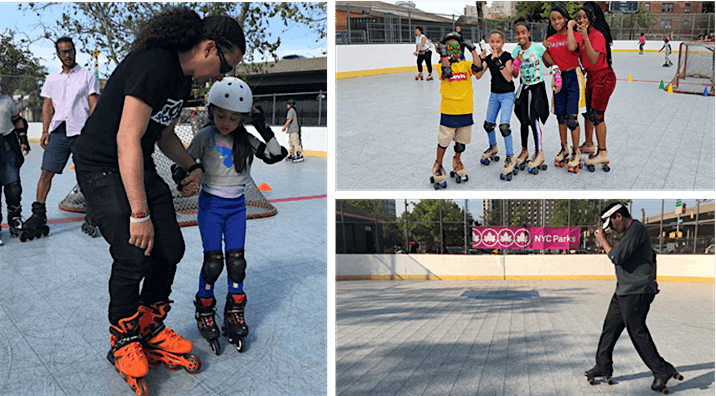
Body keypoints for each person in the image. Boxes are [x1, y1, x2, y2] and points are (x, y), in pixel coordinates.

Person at [73, 6, 245, 391]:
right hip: (101, 164)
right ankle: (123, 337)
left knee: (170, 246)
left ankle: (149, 326)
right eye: (225, 67)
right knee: (135, 250)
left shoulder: (182, 81)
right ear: (209, 48)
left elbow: (162, 135)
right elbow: (126, 138)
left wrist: (189, 165)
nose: (222, 76)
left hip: (134, 161)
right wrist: (138, 212)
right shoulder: (154, 64)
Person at [188, 78, 287, 355]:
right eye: (221, 115)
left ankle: (234, 310)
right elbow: (183, 163)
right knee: (213, 264)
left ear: (242, 117)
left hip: (237, 208)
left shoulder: (245, 139)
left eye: (234, 118)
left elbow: (276, 154)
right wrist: (184, 177)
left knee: (237, 262)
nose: (226, 122)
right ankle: (205, 308)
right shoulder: (204, 137)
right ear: (211, 111)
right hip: (210, 206)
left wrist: (263, 128)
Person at [586, 202, 684, 393]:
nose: (612, 229)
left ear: (619, 217)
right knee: (610, 327)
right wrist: (654, 280)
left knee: (637, 332)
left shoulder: (636, 230)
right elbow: (653, 256)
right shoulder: (630, 234)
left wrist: (603, 241)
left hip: (636, 291)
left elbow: (616, 257)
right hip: (624, 290)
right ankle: (603, 364)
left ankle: (662, 369)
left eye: (612, 224)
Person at [19, 37, 99, 241]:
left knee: (85, 175)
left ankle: (93, 213)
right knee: (46, 172)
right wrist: (45, 130)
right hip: (58, 131)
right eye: (63, 52)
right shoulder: (52, 78)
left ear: (75, 51)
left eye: (70, 51)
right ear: (57, 55)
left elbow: (94, 105)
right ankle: (38, 215)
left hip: (81, 132)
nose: (67, 55)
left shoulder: (87, 76)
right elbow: (48, 106)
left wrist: (95, 131)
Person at [429, 31, 482, 190]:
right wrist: (444, 55)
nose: (453, 51)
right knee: (444, 141)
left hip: (465, 110)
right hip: (449, 110)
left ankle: (457, 160)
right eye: (449, 48)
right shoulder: (440, 66)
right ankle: (438, 164)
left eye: (456, 48)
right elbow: (447, 73)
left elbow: (478, 67)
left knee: (461, 142)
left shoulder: (465, 65)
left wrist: (472, 49)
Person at [543, 3, 586, 173]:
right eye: (553, 19)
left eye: (560, 18)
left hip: (573, 78)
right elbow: (547, 63)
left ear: (566, 18)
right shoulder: (550, 40)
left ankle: (576, 151)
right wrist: (544, 48)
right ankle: (564, 148)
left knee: (571, 119)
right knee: (560, 117)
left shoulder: (575, 35)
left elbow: (572, 47)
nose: (556, 22)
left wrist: (569, 27)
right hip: (558, 78)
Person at [511, 15, 554, 176]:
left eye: (523, 32)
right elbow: (515, 74)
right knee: (523, 120)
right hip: (524, 88)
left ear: (528, 32)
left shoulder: (537, 48)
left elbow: (550, 63)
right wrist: (517, 63)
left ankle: (539, 152)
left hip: (537, 89)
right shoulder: (516, 51)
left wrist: (546, 49)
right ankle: (524, 151)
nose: (521, 36)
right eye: (517, 33)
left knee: (534, 119)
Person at [576, 2, 617, 173]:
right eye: (579, 17)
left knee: (597, 115)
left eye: (585, 17)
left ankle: (603, 152)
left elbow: (593, 60)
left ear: (593, 17)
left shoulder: (597, 35)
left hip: (603, 78)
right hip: (591, 77)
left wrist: (585, 37)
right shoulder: (586, 34)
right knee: (587, 112)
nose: (582, 20)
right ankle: (588, 145)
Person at [474, 27, 516, 182]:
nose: (495, 44)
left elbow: (509, 78)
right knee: (488, 125)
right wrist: (479, 59)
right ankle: (493, 147)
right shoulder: (488, 58)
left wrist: (498, 61)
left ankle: (510, 156)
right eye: (492, 42)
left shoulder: (507, 56)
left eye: (498, 42)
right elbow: (478, 75)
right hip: (494, 95)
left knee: (504, 126)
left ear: (503, 42)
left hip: (507, 95)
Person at [0, 93, 30, 240]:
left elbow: (17, 120)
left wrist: (23, 139)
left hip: (7, 145)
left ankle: (15, 219)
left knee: (13, 185)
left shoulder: (7, 101)